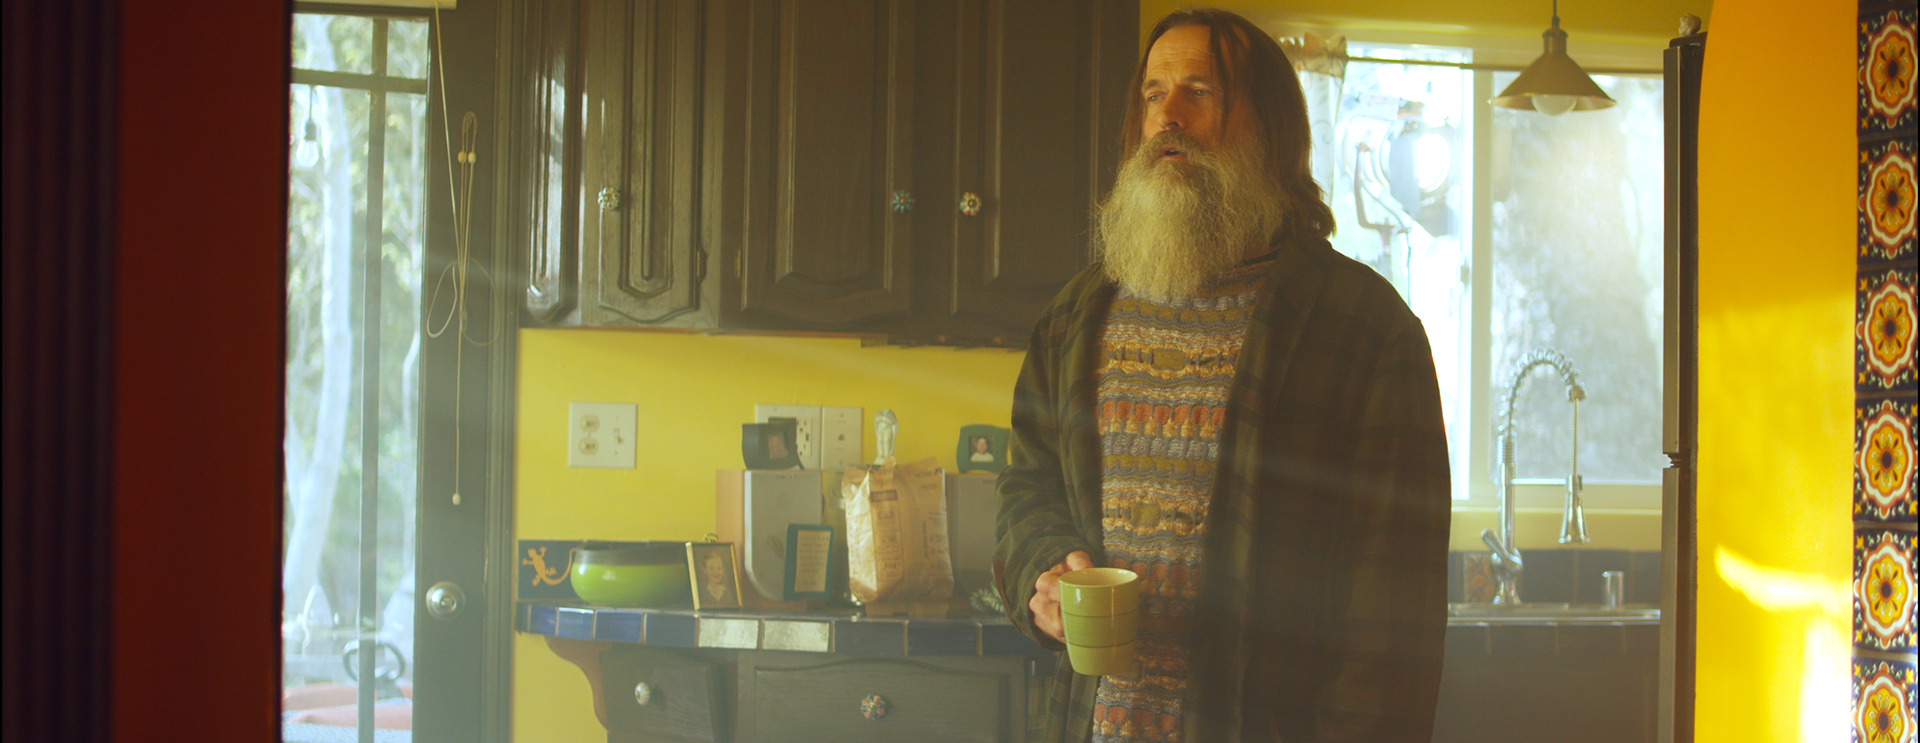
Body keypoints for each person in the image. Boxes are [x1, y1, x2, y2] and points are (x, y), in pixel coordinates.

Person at [992, 9, 1451, 743]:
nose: (1167, 115)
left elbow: (1394, 613)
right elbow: (1027, 490)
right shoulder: (1076, 316)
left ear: (1271, 128)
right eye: (1153, 93)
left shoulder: (1366, 328)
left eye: (1200, 91)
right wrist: (1043, 573)